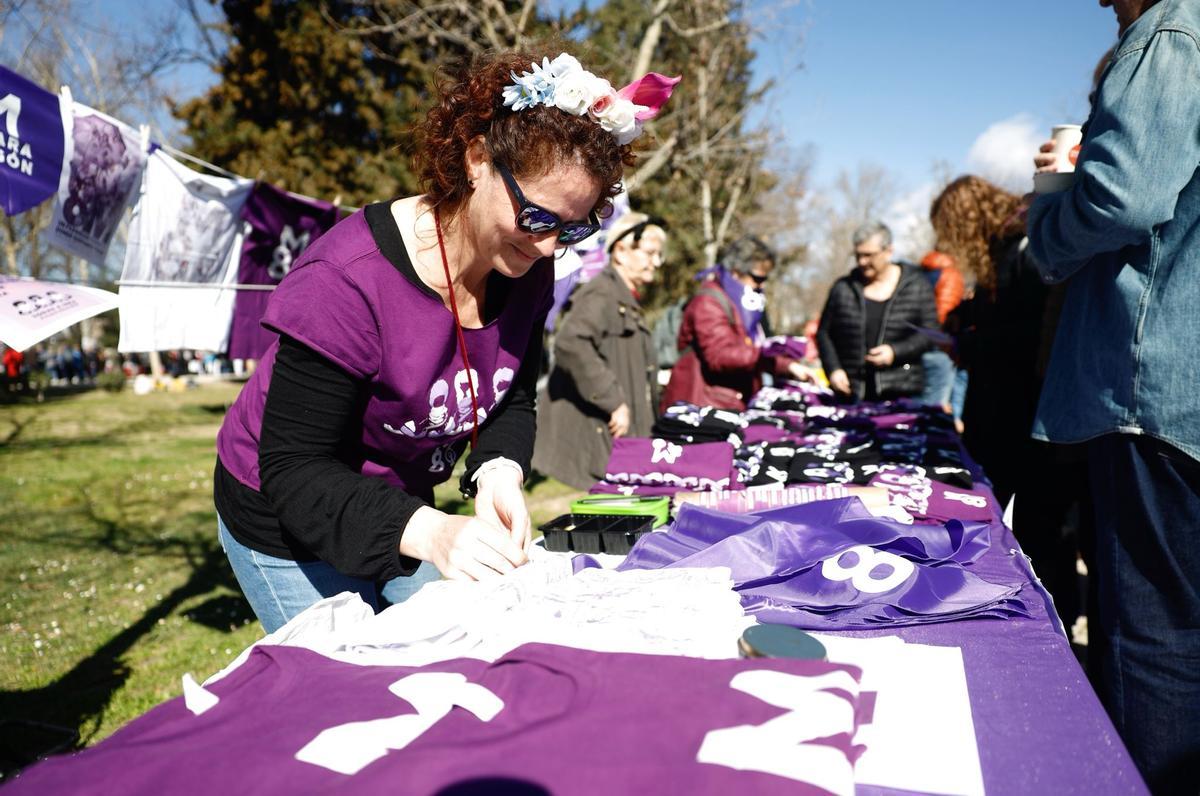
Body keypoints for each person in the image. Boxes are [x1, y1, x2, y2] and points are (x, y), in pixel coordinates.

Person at [212, 50, 677, 632]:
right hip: (286, 514)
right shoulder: (347, 280)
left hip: (396, 502)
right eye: (536, 217)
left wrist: (500, 470)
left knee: (460, 649)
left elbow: (513, 396)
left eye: (574, 228)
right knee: (353, 696)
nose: (547, 247)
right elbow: (296, 470)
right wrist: (433, 531)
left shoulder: (528, 270)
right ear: (478, 159)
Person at [1025, 0, 1199, 789]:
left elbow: (1123, 198)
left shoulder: (1169, 32)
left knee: (1154, 641)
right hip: (1171, 393)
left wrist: (1049, 224)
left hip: (1150, 394)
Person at [931, 174, 1092, 631]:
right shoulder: (1001, 253)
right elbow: (1002, 317)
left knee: (1043, 525)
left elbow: (1030, 334)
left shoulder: (1025, 247)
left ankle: (1055, 613)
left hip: (1026, 414)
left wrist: (969, 345)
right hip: (1000, 410)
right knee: (1017, 519)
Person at [532, 212, 666, 489]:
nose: (656, 262)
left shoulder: (622, 296)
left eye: (659, 255)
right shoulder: (602, 293)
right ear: (621, 251)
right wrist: (611, 399)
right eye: (650, 253)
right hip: (602, 438)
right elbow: (571, 341)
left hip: (624, 441)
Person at [661, 236, 809, 411]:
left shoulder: (744, 307)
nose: (760, 286)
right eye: (757, 279)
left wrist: (785, 364)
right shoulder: (708, 302)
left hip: (729, 401)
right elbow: (719, 355)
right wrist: (767, 354)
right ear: (736, 272)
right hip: (702, 407)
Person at [815, 221, 937, 401]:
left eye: (868, 255)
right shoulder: (842, 288)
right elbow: (824, 333)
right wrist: (833, 369)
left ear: (888, 251)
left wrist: (896, 352)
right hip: (852, 393)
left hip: (902, 391)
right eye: (858, 255)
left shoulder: (917, 285)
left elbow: (930, 333)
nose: (862, 262)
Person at [916, 250, 965, 412]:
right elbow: (945, 309)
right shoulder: (950, 274)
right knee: (935, 407)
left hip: (917, 342)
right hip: (939, 344)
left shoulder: (921, 273)